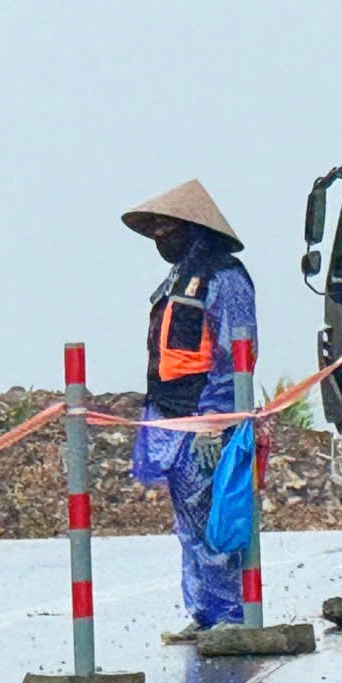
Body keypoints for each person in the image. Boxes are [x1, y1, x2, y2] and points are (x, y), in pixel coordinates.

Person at [123, 179, 257, 643]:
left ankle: (231, 615)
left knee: (215, 519)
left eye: (167, 228)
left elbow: (235, 354)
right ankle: (204, 612)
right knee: (187, 521)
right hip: (170, 414)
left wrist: (216, 419)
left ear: (193, 228)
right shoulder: (175, 281)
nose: (160, 237)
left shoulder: (226, 279)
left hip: (207, 417)